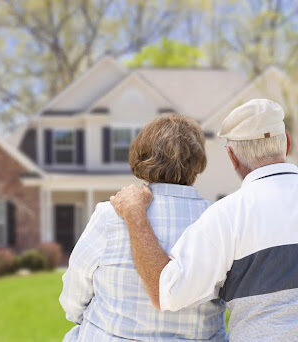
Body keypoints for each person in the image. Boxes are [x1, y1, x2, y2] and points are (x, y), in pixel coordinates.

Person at [110, 99, 298, 342]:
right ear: (287, 144)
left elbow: (167, 292)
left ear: (232, 157)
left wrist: (134, 213)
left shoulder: (227, 217)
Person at [59, 114, 228, 341]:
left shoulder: (110, 215)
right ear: (197, 163)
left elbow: (74, 294)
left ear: (141, 158)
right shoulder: (219, 220)